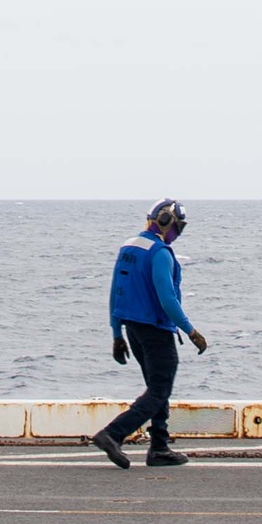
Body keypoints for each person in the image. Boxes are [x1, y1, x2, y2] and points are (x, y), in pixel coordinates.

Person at [91, 198, 208, 469]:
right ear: (166, 222)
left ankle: (159, 448)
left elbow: (115, 293)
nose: (176, 235)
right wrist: (191, 331)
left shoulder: (129, 246)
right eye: (177, 228)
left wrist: (116, 333)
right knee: (158, 390)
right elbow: (168, 300)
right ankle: (112, 434)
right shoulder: (160, 253)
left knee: (158, 389)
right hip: (155, 331)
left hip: (133, 329)